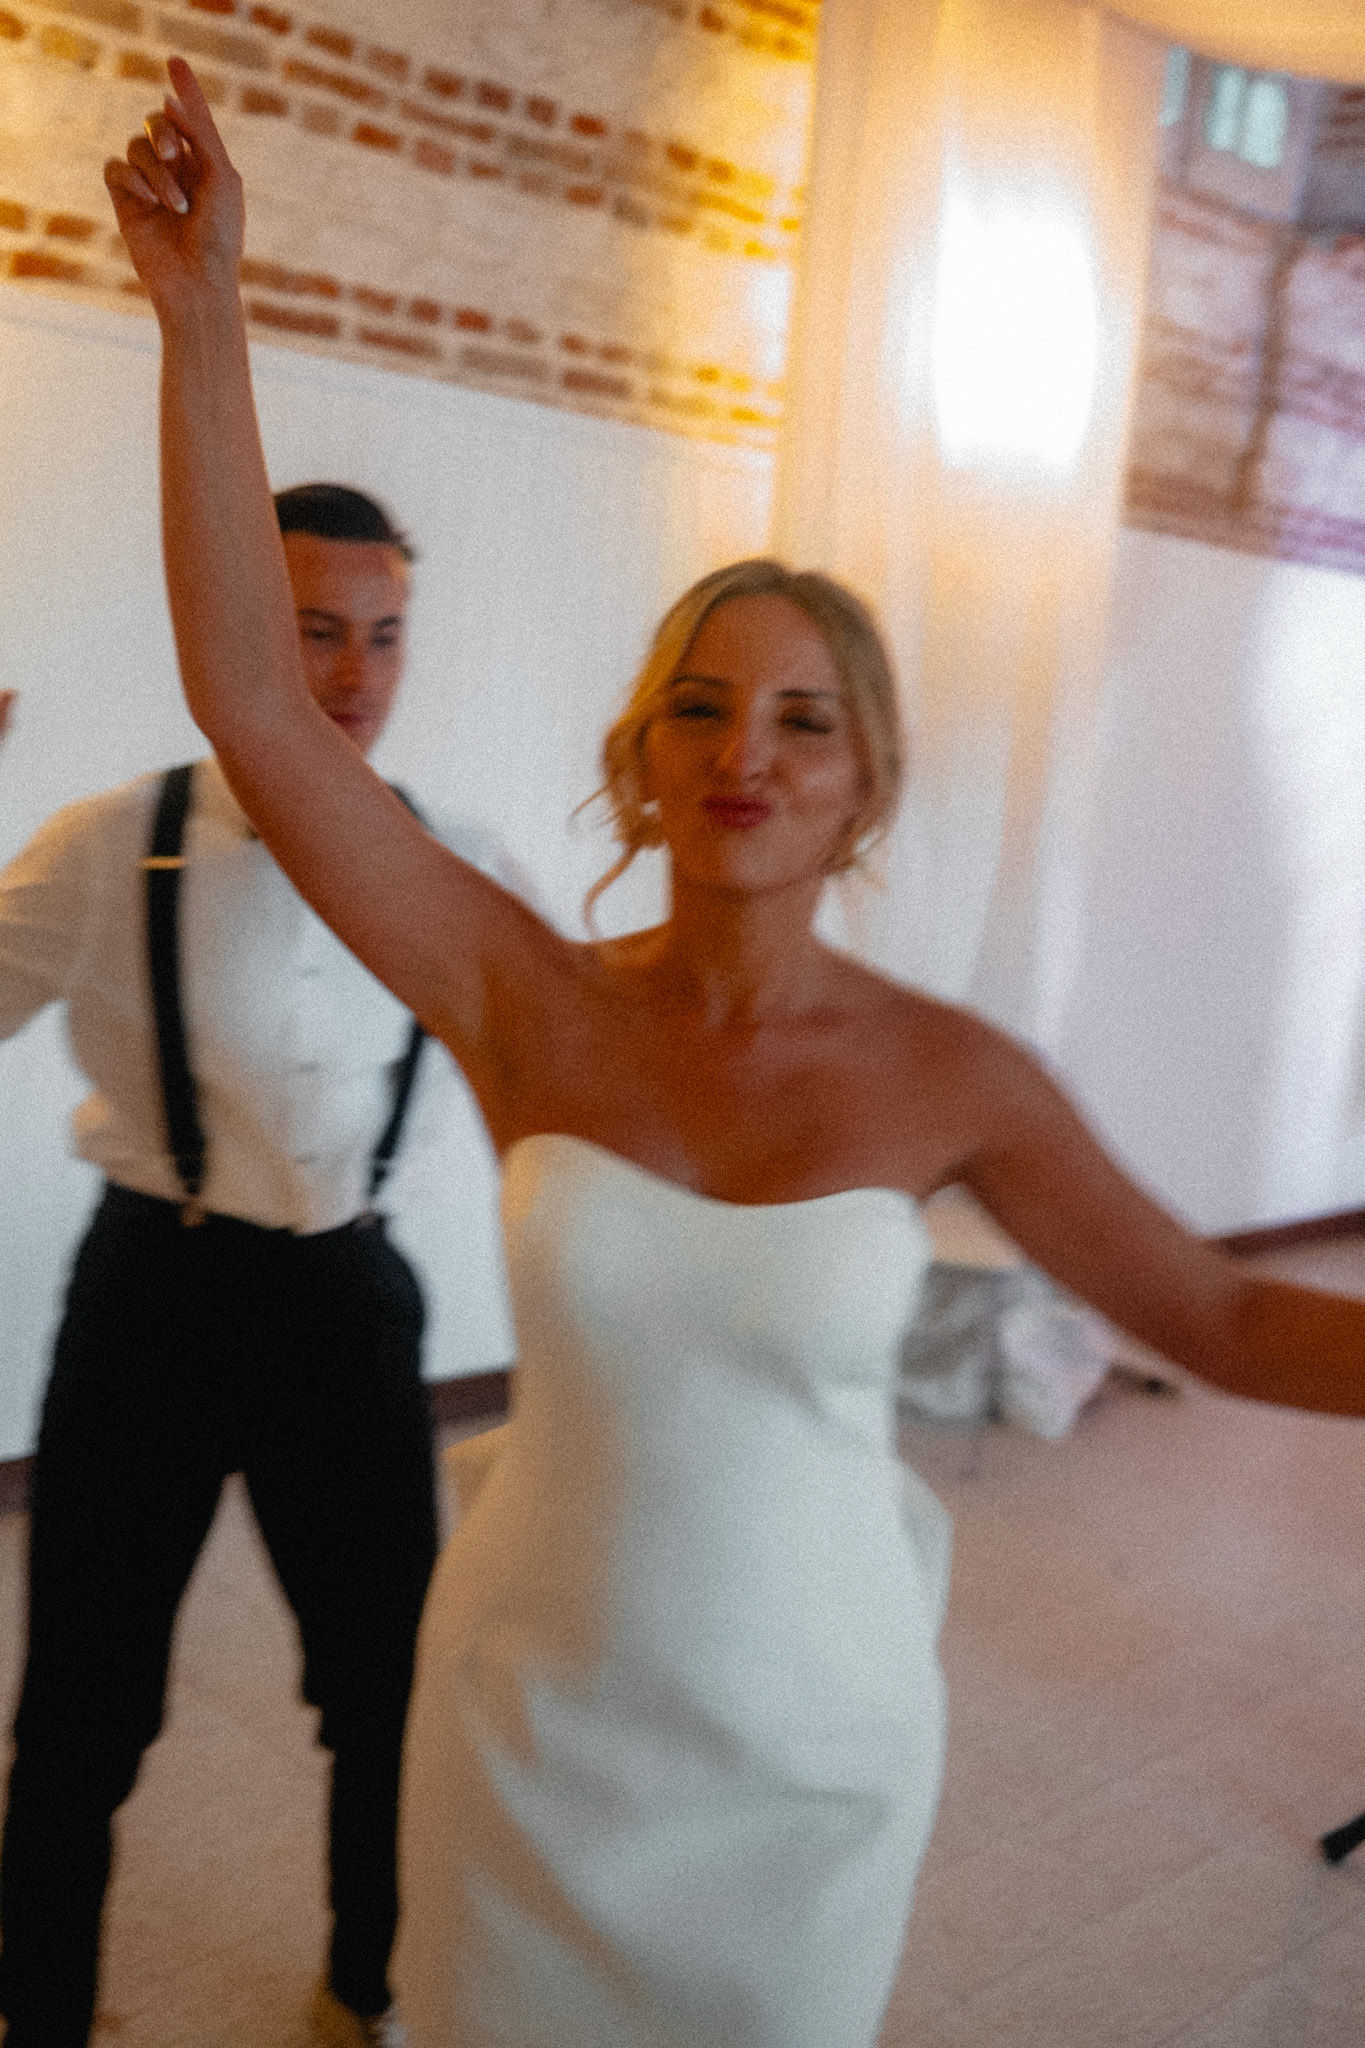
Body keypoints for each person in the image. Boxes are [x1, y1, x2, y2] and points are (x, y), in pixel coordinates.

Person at [102, 62, 1363, 2048]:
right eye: (699, 708)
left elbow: (1210, 1312)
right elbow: (258, 703)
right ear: (642, 754)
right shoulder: (524, 990)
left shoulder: (954, 1076)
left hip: (804, 1745)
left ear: (864, 782)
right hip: (534, 1706)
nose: (742, 754)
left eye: (799, 719)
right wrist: (203, 317)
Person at [0, 478, 526, 2048]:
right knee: (83, 1708)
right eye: (313, 631)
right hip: (150, 1300)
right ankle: (38, 2015)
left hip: (349, 1305)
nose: (357, 674)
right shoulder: (111, 843)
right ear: (234, 632)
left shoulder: (458, 860)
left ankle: (367, 1993)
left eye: (384, 635)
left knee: (387, 1695)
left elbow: (569, 1082)